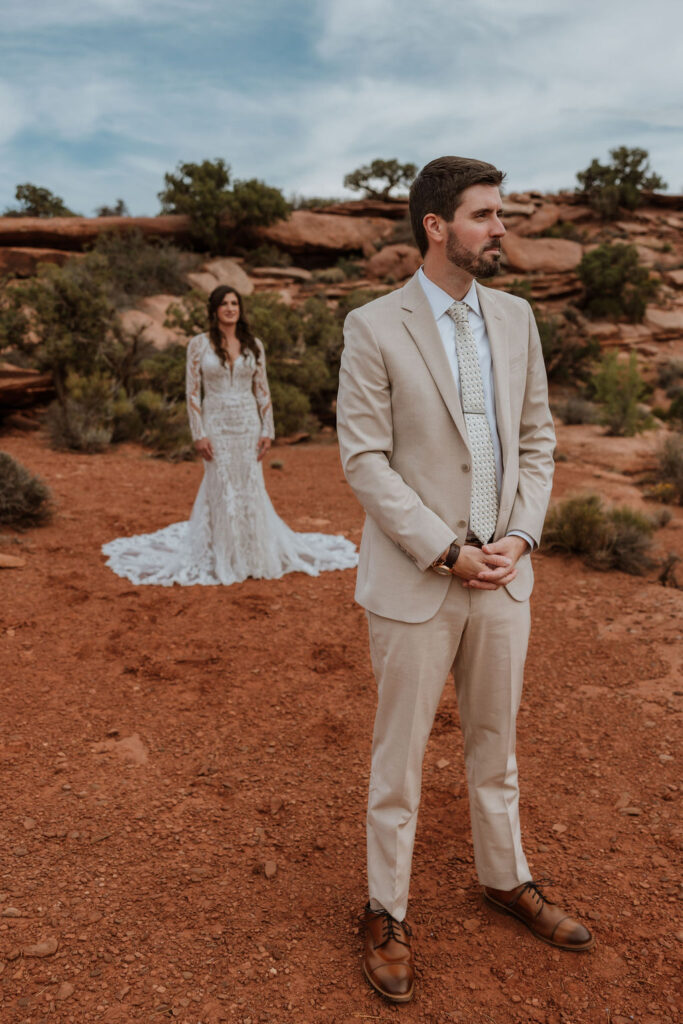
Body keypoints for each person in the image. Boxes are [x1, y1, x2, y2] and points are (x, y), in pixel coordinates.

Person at [336, 156, 593, 1004]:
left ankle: (503, 877)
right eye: (484, 215)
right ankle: (384, 908)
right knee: (398, 757)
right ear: (436, 227)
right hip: (421, 575)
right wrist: (446, 550)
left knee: (495, 746)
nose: (500, 229)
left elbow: (537, 440)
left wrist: (520, 536)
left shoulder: (517, 319)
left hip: (505, 572)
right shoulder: (373, 327)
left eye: (501, 214)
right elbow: (365, 462)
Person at [102, 285, 357, 585]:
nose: (230, 308)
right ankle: (223, 556)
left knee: (250, 487)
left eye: (235, 303)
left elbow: (262, 389)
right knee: (220, 487)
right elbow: (192, 392)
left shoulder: (254, 345)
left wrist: (267, 429)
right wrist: (199, 433)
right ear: (214, 310)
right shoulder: (198, 345)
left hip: (248, 423)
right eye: (224, 304)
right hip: (216, 424)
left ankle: (254, 556)